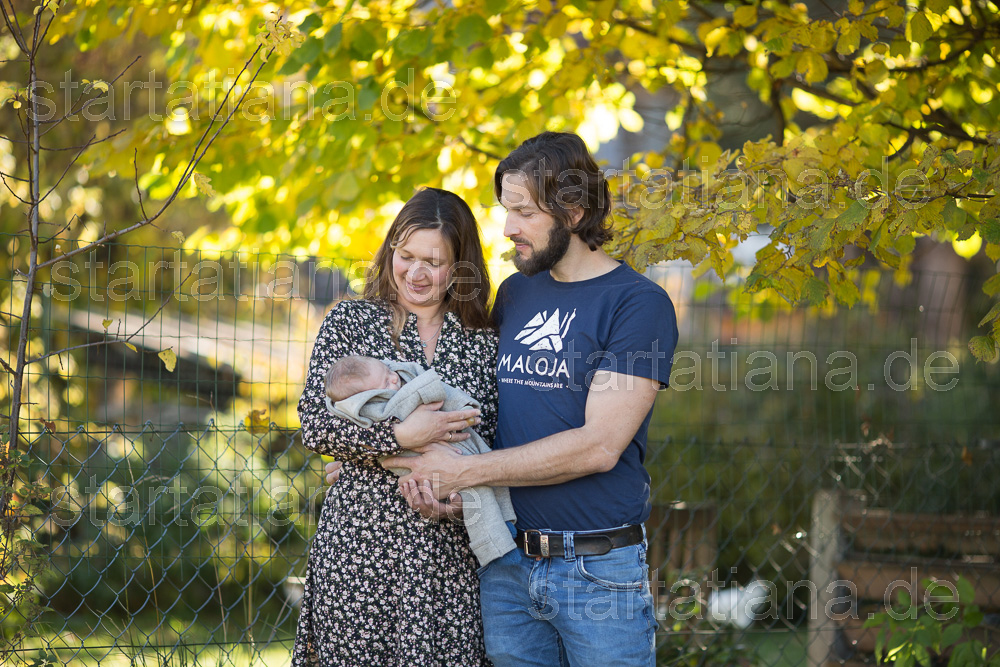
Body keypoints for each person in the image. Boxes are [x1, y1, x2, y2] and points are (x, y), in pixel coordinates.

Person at [380, 131, 679, 666]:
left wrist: (463, 473)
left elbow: (599, 446)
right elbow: (479, 415)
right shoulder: (517, 293)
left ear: (573, 211)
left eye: (523, 212)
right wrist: (384, 458)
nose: (508, 228)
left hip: (595, 568)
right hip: (506, 563)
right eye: (506, 210)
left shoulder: (638, 304)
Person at [291, 187, 497, 667]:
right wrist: (400, 438)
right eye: (406, 256)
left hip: (448, 558)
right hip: (360, 550)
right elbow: (316, 426)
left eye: (434, 262)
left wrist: (458, 505)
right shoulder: (350, 322)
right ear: (390, 252)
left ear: (461, 267)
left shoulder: (485, 342)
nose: (416, 273)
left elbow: (495, 443)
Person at [323, 354, 517, 566]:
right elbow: (319, 430)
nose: (394, 378)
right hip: (388, 511)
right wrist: (401, 435)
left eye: (389, 372)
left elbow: (444, 392)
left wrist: (463, 407)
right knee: (478, 491)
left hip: (459, 454)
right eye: (386, 382)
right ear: (366, 398)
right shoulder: (369, 409)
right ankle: (497, 548)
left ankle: (507, 526)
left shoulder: (401, 373)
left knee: (484, 472)